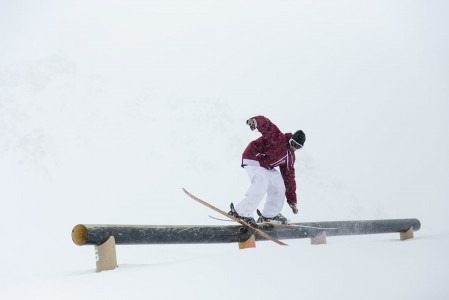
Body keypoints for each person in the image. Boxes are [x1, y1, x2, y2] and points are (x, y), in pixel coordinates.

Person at [228, 115, 305, 225]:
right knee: (262, 181)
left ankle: (270, 215)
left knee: (279, 185)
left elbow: (289, 179)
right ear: (290, 139)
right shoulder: (279, 138)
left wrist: (292, 201)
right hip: (253, 157)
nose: (294, 147)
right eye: (293, 143)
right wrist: (255, 122)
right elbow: (268, 125)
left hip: (266, 166)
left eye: (298, 146)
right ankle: (241, 212)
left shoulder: (290, 158)